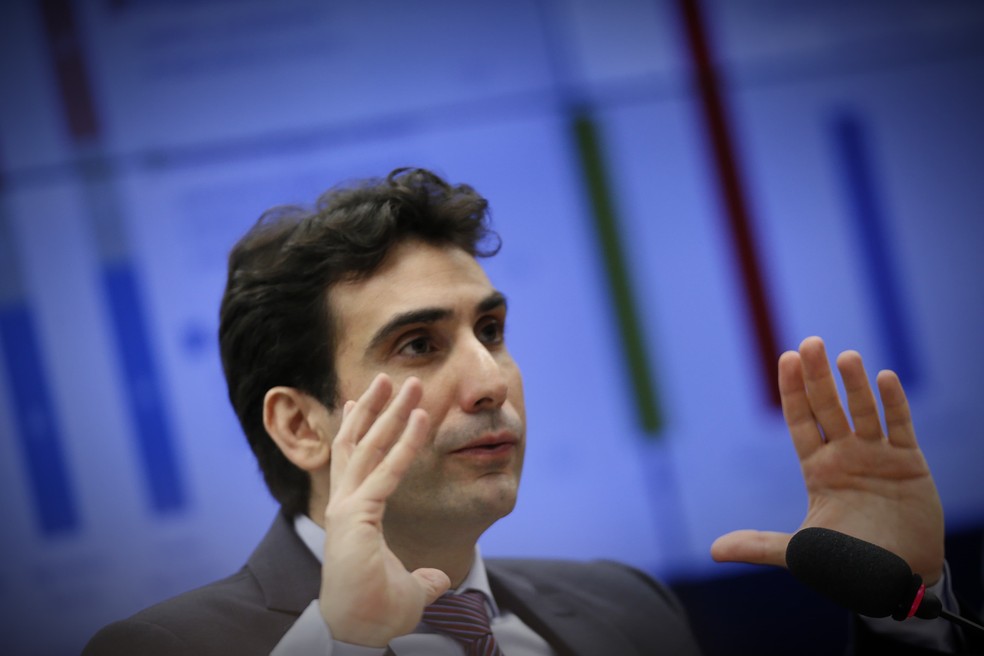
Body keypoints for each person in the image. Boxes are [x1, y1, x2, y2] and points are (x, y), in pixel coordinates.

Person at [82, 167, 979, 655]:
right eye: (418, 345)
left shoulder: (626, 611)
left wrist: (900, 606)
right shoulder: (158, 650)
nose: (491, 380)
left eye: (491, 330)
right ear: (300, 425)